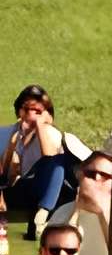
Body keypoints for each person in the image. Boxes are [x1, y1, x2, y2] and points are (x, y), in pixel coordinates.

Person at [3, 86, 83, 233]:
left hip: (48, 191)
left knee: (56, 161)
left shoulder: (50, 133)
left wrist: (40, 126)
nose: (30, 114)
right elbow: (7, 177)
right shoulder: (13, 136)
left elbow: (49, 161)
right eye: (26, 109)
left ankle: (44, 209)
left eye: (38, 111)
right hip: (22, 189)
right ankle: (42, 212)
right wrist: (11, 151)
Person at [46, 150, 112, 255]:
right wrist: (76, 210)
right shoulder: (64, 211)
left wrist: (102, 212)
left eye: (104, 175)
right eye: (90, 174)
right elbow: (56, 252)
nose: (96, 179)